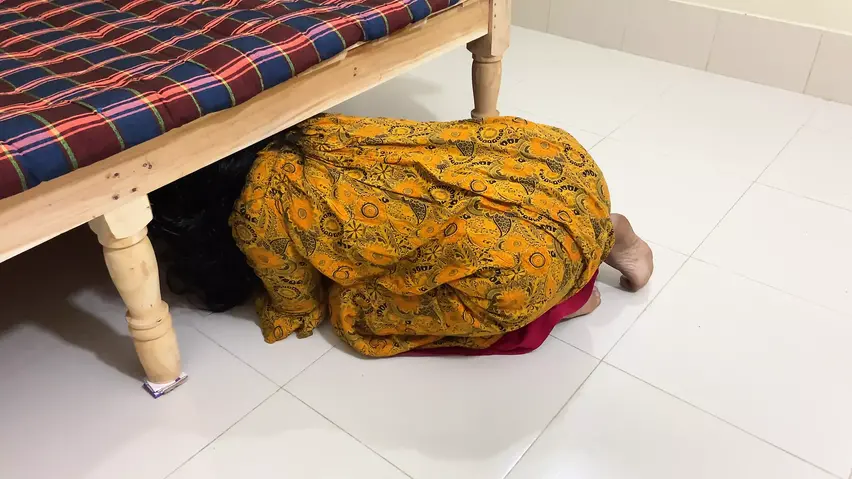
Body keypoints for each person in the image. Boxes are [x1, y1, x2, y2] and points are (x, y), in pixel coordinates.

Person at [150, 114, 653, 357]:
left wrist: (289, 297)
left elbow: (297, 305)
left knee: (356, 308)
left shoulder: (254, 211)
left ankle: (567, 295)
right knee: (460, 211)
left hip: (525, 262)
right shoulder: (313, 128)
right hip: (560, 164)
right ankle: (599, 231)